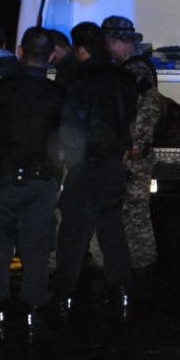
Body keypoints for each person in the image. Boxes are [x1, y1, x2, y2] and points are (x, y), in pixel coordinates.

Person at [0, 27, 65, 342]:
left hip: (2, 180)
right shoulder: (59, 94)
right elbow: (73, 138)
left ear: (20, 52)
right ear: (51, 56)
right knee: (36, 248)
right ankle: (33, 310)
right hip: (41, 182)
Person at [51, 22, 139, 326]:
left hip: (87, 166)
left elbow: (70, 127)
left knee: (73, 234)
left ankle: (63, 297)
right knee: (112, 229)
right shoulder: (124, 77)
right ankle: (123, 292)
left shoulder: (79, 80)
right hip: (114, 164)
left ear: (80, 50)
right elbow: (129, 119)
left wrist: (70, 162)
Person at [102, 15, 162, 293]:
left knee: (135, 216)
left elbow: (149, 106)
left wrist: (136, 144)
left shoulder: (136, 70)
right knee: (130, 215)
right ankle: (136, 273)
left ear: (116, 42)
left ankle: (141, 274)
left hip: (134, 155)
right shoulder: (130, 68)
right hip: (131, 151)